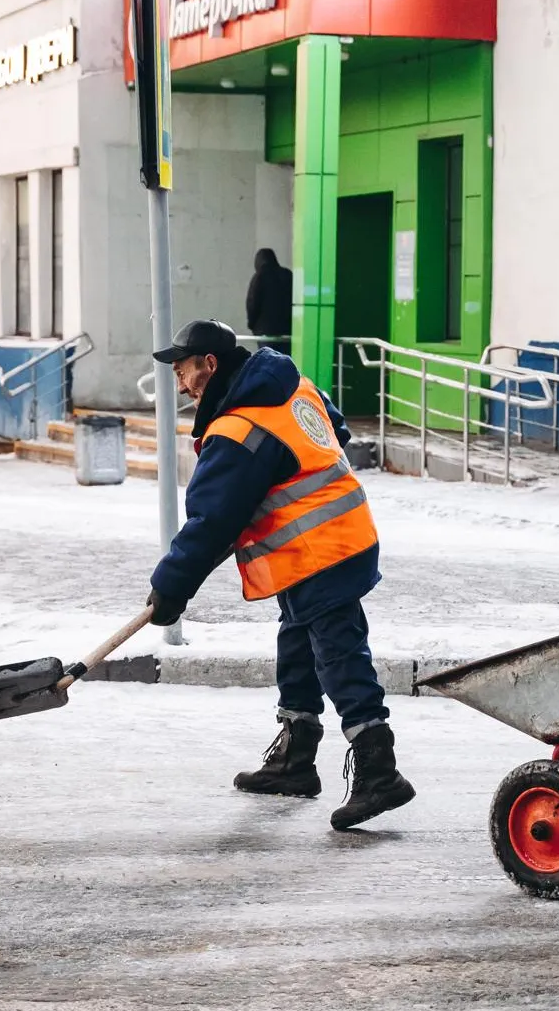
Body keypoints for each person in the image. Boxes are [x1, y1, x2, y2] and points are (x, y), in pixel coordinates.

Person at [147, 318, 413, 830]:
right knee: (297, 643)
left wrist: (170, 588)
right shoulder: (291, 384)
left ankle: (380, 770)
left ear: (210, 365)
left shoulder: (237, 430)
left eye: (183, 371)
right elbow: (335, 431)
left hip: (320, 552)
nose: (181, 385)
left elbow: (211, 522)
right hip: (338, 538)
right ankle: (296, 757)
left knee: (338, 654)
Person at [246, 248, 292, 353]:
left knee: (268, 362)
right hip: (287, 330)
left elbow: (252, 303)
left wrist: (251, 324)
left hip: (265, 332)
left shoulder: (259, 276)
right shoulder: (288, 275)